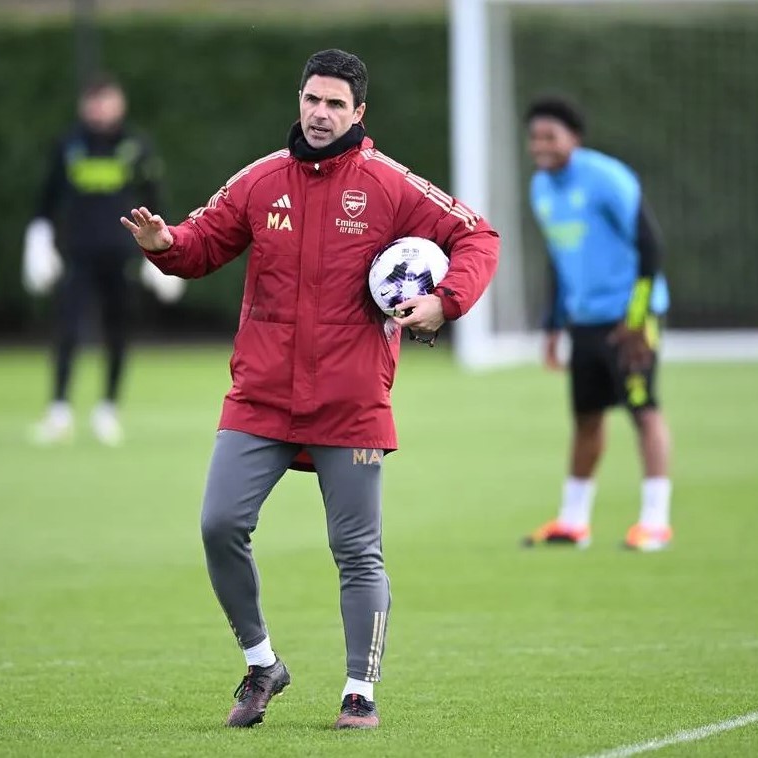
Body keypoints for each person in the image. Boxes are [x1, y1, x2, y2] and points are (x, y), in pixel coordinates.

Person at [121, 49, 499, 729]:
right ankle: (262, 663)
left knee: (356, 551)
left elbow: (477, 235)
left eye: (335, 104)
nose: (320, 114)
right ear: (299, 100)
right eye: (312, 100)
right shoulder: (262, 181)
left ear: (359, 113)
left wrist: (447, 301)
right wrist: (163, 242)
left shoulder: (389, 184)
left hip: (350, 401)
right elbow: (201, 245)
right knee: (218, 524)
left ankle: (361, 690)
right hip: (260, 395)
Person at [519, 96, 674, 552]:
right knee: (586, 417)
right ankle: (573, 522)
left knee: (644, 413)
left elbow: (651, 246)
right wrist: (552, 326)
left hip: (629, 319)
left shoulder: (608, 178)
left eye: (550, 136)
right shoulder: (541, 188)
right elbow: (558, 260)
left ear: (575, 139)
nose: (540, 146)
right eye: (534, 137)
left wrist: (639, 318)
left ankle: (655, 522)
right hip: (584, 322)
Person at [22, 73, 183, 446]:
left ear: (120, 103)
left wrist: (165, 252)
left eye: (106, 100)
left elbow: (156, 200)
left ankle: (108, 409)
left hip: (123, 256)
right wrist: (38, 241)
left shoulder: (135, 146)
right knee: (67, 330)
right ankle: (59, 410)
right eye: (93, 101)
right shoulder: (69, 145)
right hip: (77, 254)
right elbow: (46, 200)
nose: (99, 108)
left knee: (118, 331)